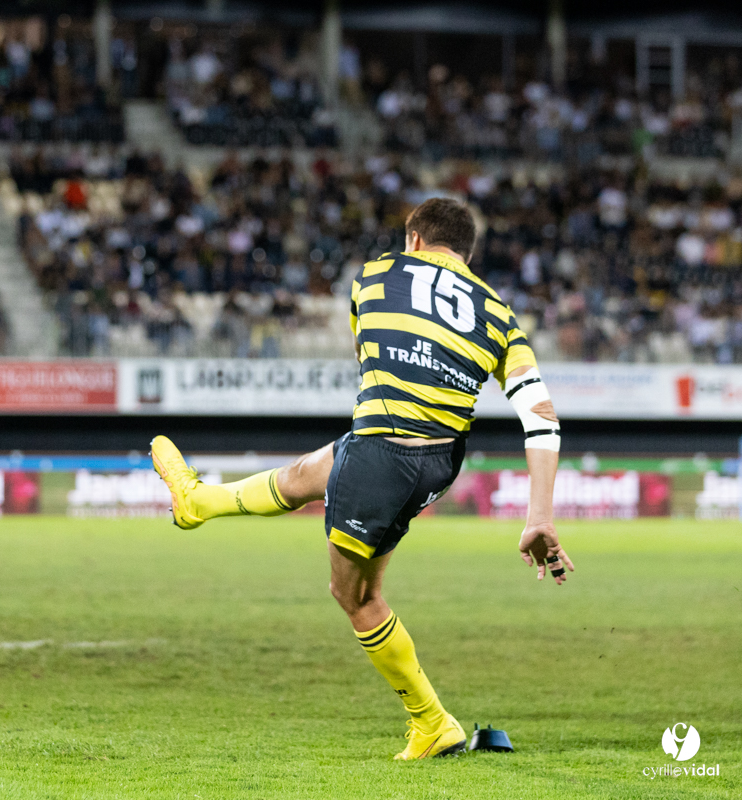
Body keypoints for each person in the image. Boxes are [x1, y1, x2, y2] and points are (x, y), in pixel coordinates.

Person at [151, 198, 573, 760]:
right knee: (311, 473)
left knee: (355, 596)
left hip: (383, 451)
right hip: (440, 458)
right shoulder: (498, 312)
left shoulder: (376, 274)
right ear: (466, 254)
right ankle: (199, 501)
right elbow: (541, 418)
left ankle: (432, 723)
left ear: (415, 239)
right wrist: (539, 516)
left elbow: (367, 352)